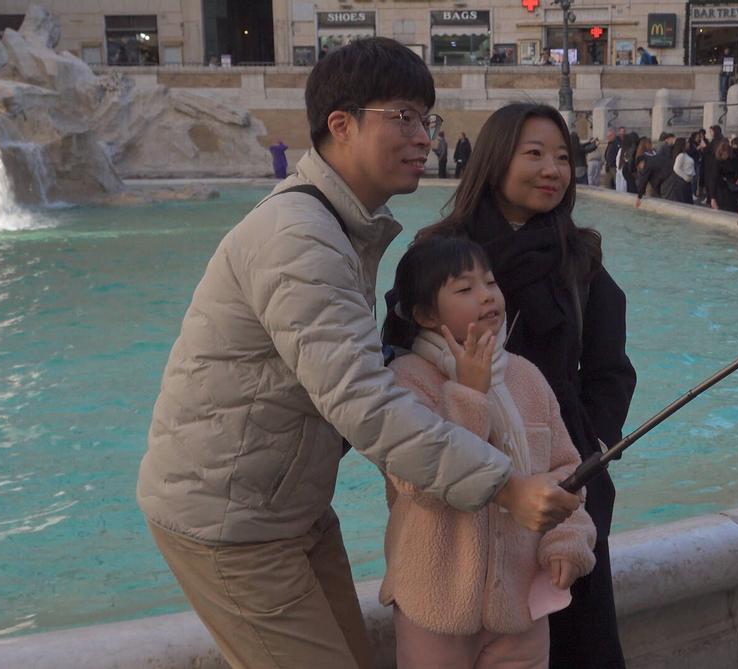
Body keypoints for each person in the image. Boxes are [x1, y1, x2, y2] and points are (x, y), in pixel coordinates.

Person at [137, 38, 580, 669]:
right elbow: (364, 403)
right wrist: (505, 486)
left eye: (425, 119)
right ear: (340, 125)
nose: (423, 137)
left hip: (288, 507)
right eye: (402, 117)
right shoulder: (301, 239)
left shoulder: (339, 227)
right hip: (231, 522)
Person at [416, 102, 637, 669]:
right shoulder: (439, 251)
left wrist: (589, 449)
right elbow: (405, 358)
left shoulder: (580, 256)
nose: (553, 170)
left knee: (580, 642)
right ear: (495, 160)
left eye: (563, 157)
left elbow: (610, 371)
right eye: (534, 154)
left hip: (565, 478)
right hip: (463, 473)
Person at [378, 236, 597, 669]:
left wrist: (566, 539)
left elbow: (565, 469)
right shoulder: (407, 381)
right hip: (435, 605)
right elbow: (421, 484)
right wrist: (470, 395)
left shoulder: (526, 376)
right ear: (425, 314)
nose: (486, 296)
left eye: (491, 282)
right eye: (465, 288)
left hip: (519, 603)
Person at [707, 137, 738, 212]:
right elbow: (713, 179)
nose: (724, 156)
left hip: (733, 186)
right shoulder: (717, 161)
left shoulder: (735, 157)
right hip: (721, 189)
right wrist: (712, 198)